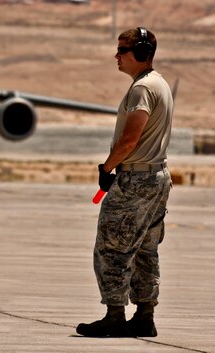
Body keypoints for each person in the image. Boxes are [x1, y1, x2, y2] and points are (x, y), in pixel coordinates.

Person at [77, 27, 173, 338]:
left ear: (142, 54)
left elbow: (130, 139)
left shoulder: (141, 89)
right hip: (157, 177)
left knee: (112, 246)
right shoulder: (159, 84)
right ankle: (145, 314)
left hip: (136, 179)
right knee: (146, 249)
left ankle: (115, 314)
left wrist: (107, 167)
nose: (116, 56)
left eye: (123, 50)